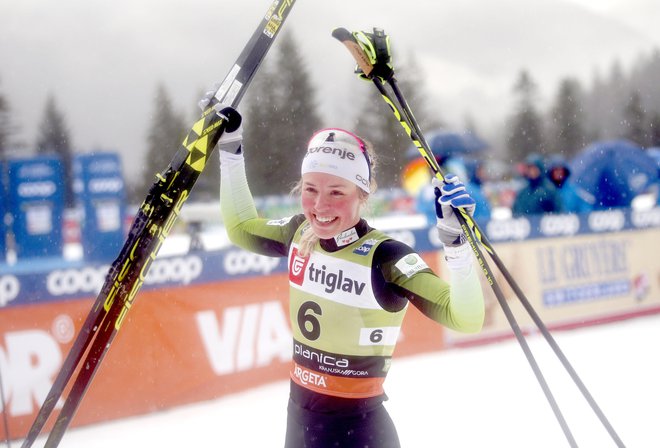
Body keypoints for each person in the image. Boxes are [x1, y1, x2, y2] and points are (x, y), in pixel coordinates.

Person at [213, 103, 485, 447]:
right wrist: (230, 146)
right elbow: (239, 228)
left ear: (363, 194)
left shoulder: (385, 256)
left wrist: (456, 244)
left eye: (336, 192)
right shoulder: (299, 233)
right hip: (300, 422)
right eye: (311, 189)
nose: (320, 207)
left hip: (359, 431)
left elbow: (466, 318)